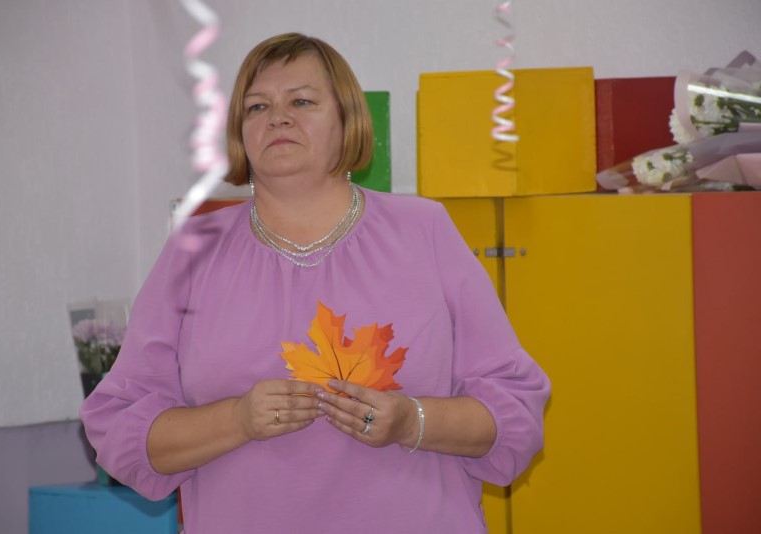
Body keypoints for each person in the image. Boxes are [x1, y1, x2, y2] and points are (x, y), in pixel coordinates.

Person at [80, 32, 550, 534]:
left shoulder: (424, 230)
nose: (278, 118)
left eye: (301, 101)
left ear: (348, 119)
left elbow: (514, 412)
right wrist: (237, 420)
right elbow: (120, 428)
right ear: (239, 133)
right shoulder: (192, 252)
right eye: (257, 106)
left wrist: (410, 420)